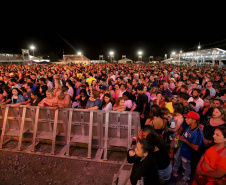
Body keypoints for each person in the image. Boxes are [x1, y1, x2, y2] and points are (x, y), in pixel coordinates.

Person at [172, 111, 203, 183]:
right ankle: (175, 170)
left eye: (188, 118)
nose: (185, 119)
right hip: (182, 148)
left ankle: (185, 179)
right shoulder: (188, 126)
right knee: (177, 159)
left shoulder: (198, 133)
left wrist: (185, 140)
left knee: (187, 167)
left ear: (194, 120)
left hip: (187, 154)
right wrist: (179, 136)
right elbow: (182, 128)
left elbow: (196, 148)